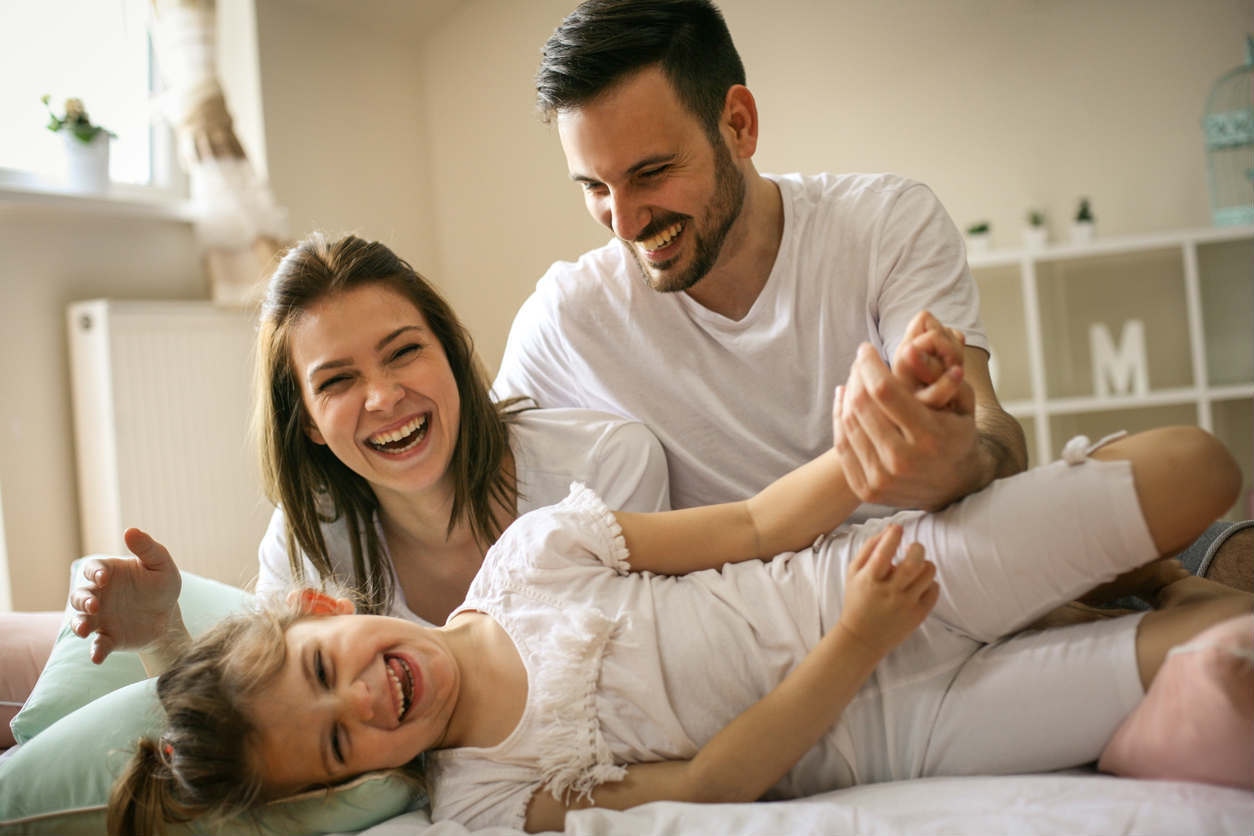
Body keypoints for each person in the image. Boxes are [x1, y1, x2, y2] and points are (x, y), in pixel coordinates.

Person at [103, 420, 1249, 835]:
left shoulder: (530, 554)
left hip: (875, 571)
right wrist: (855, 647)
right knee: (1225, 651)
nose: (362, 701)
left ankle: (1129, 571)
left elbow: (751, 523)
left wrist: (865, 452)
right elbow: (707, 782)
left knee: (1200, 464)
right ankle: (1146, 607)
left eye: (320, 669)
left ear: (322, 609)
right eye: (340, 744)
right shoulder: (490, 799)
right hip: (903, 724)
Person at [492, 0, 1028, 522]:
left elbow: (988, 428)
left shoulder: (884, 225)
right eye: (594, 186)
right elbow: (472, 476)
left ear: (739, 124)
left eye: (651, 173)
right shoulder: (569, 317)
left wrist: (962, 460)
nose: (625, 224)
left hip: (921, 582)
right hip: (738, 608)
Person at [69, 233, 673, 660]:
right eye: (337, 381)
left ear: (451, 354)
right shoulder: (307, 543)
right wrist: (164, 639)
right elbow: (267, 727)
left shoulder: (604, 467)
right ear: (306, 422)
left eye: (404, 351)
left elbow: (644, 673)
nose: (383, 397)